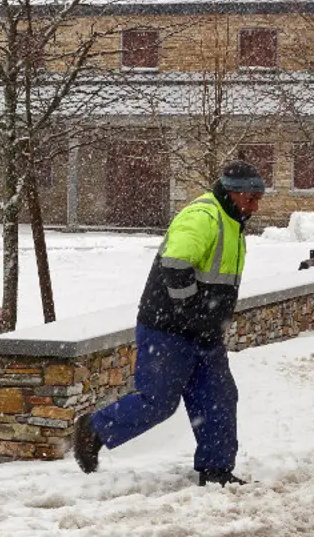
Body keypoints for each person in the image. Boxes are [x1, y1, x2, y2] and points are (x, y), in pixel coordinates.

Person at [74, 160, 265, 486]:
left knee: (218, 398)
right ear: (232, 193)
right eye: (251, 198)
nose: (256, 205)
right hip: (167, 330)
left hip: (204, 333)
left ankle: (216, 469)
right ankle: (95, 428)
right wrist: (193, 314)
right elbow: (175, 265)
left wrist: (209, 323)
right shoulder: (202, 216)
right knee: (158, 403)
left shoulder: (234, 223)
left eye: (258, 198)